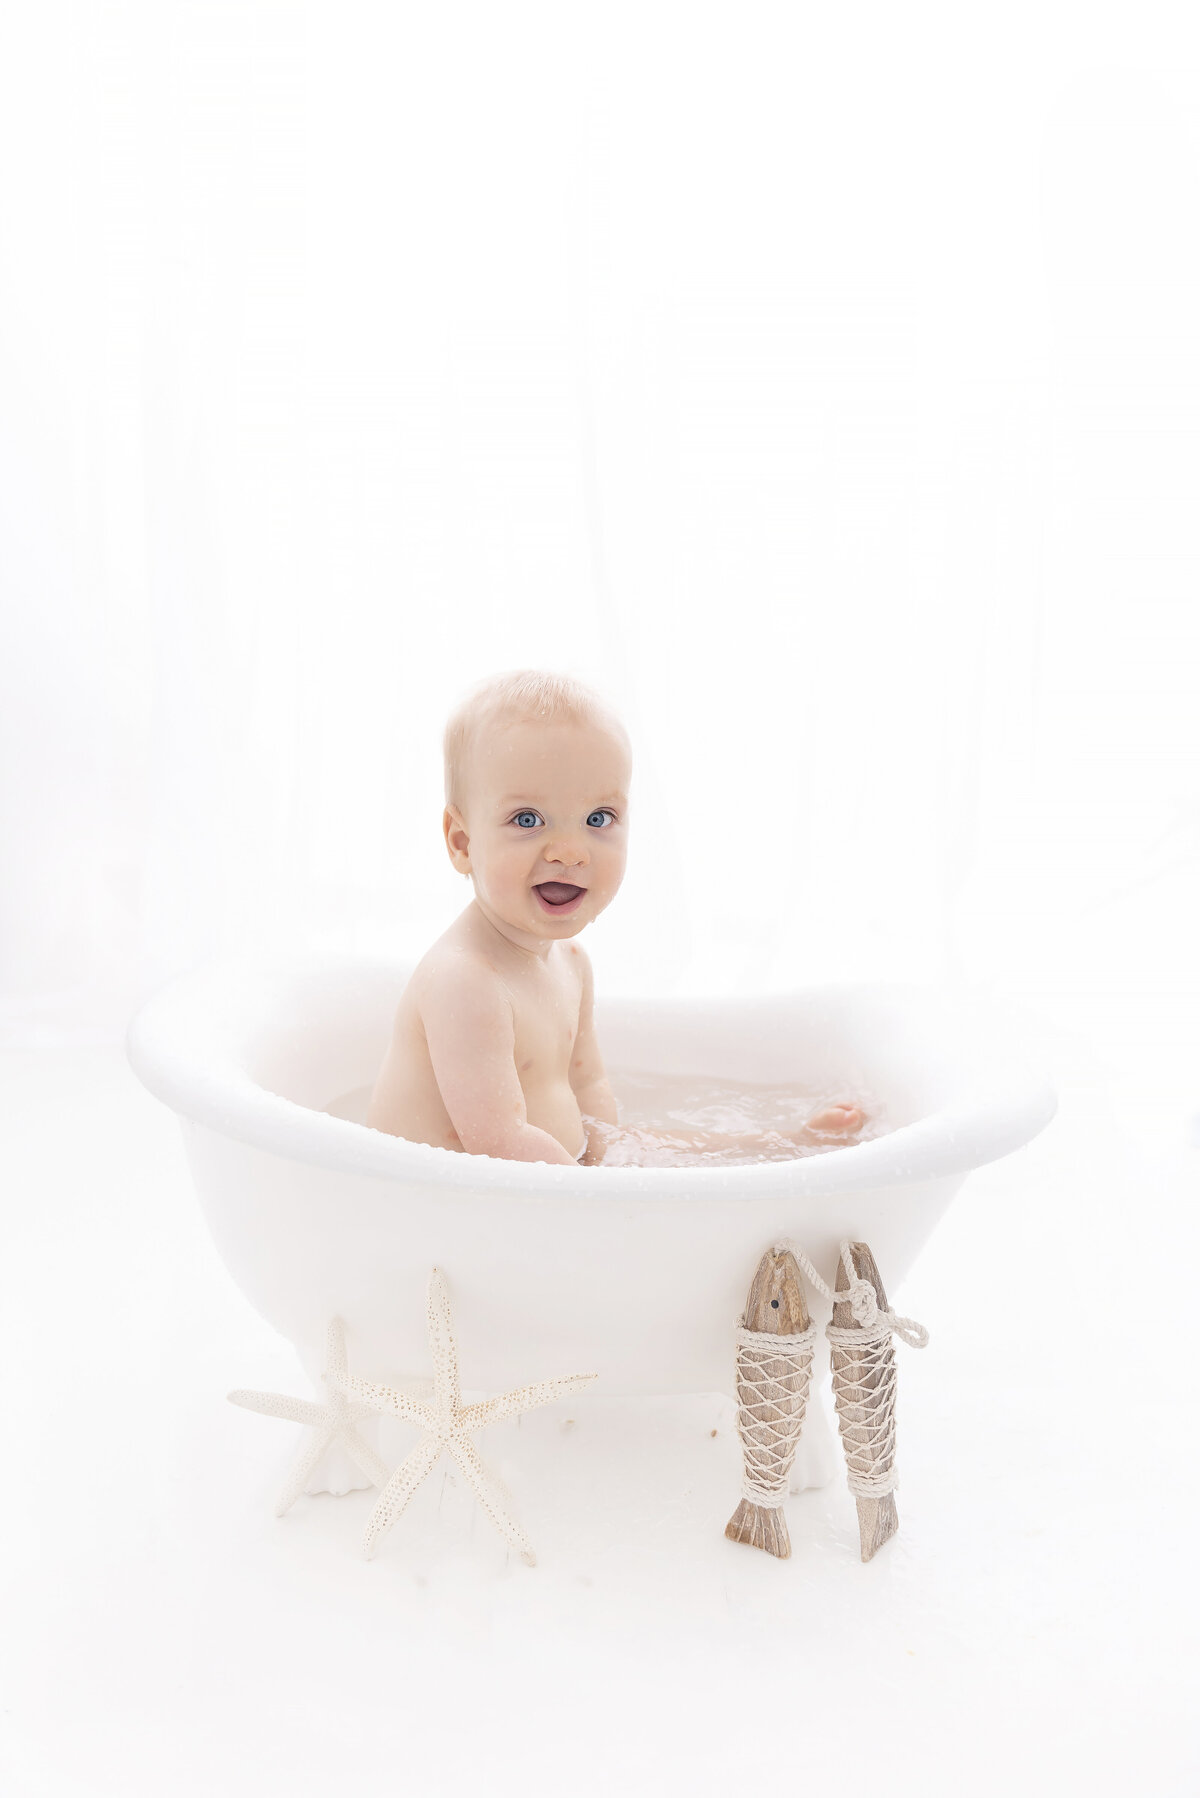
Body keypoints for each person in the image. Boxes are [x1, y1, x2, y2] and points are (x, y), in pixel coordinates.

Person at [367, 669, 865, 1166]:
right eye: (527, 820)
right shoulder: (467, 981)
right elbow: (497, 1144)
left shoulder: (572, 964)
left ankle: (779, 1147)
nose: (569, 851)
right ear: (462, 842)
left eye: (598, 819)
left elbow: (590, 1090)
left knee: (653, 1147)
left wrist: (622, 1163)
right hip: (450, 1208)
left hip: (544, 1181)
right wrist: (607, 1202)